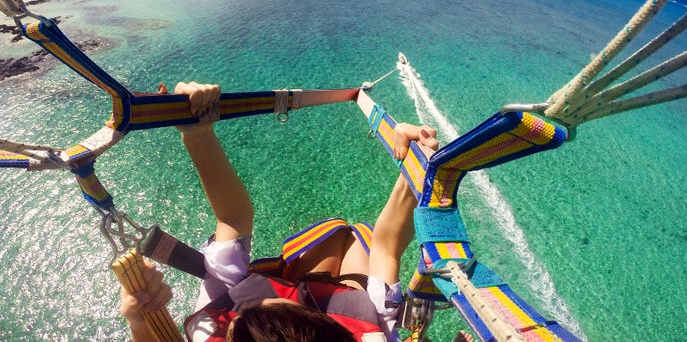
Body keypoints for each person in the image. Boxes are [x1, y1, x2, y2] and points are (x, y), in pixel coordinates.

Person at [120, 81, 473, 342]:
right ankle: (333, 270)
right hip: (352, 305)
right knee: (347, 238)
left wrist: (196, 134)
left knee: (337, 240)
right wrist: (420, 163)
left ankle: (326, 273)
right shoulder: (373, 334)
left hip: (331, 302)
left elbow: (233, 218)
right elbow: (386, 245)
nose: (243, 311)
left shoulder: (216, 322)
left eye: (246, 312)